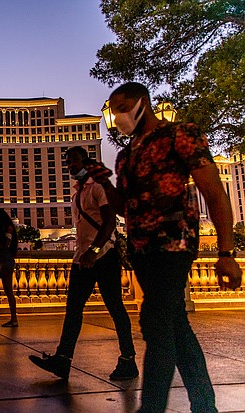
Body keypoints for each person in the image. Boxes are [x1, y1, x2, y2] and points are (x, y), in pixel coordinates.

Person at [87, 82, 242, 413]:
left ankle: (151, 407)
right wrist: (103, 180)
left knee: (155, 320)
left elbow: (215, 193)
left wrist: (226, 253)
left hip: (176, 242)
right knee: (175, 324)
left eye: (123, 107)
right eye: (113, 111)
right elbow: (125, 208)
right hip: (142, 250)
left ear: (143, 103)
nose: (118, 116)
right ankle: (204, 405)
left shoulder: (180, 135)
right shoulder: (127, 155)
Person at [29, 146, 137, 381]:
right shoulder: (77, 193)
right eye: (68, 162)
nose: (71, 166)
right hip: (82, 258)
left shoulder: (97, 187)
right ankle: (63, 359)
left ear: (86, 162)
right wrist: (83, 254)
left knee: (115, 307)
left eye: (75, 161)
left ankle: (128, 360)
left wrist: (94, 251)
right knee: (73, 309)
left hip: (104, 256)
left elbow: (110, 222)